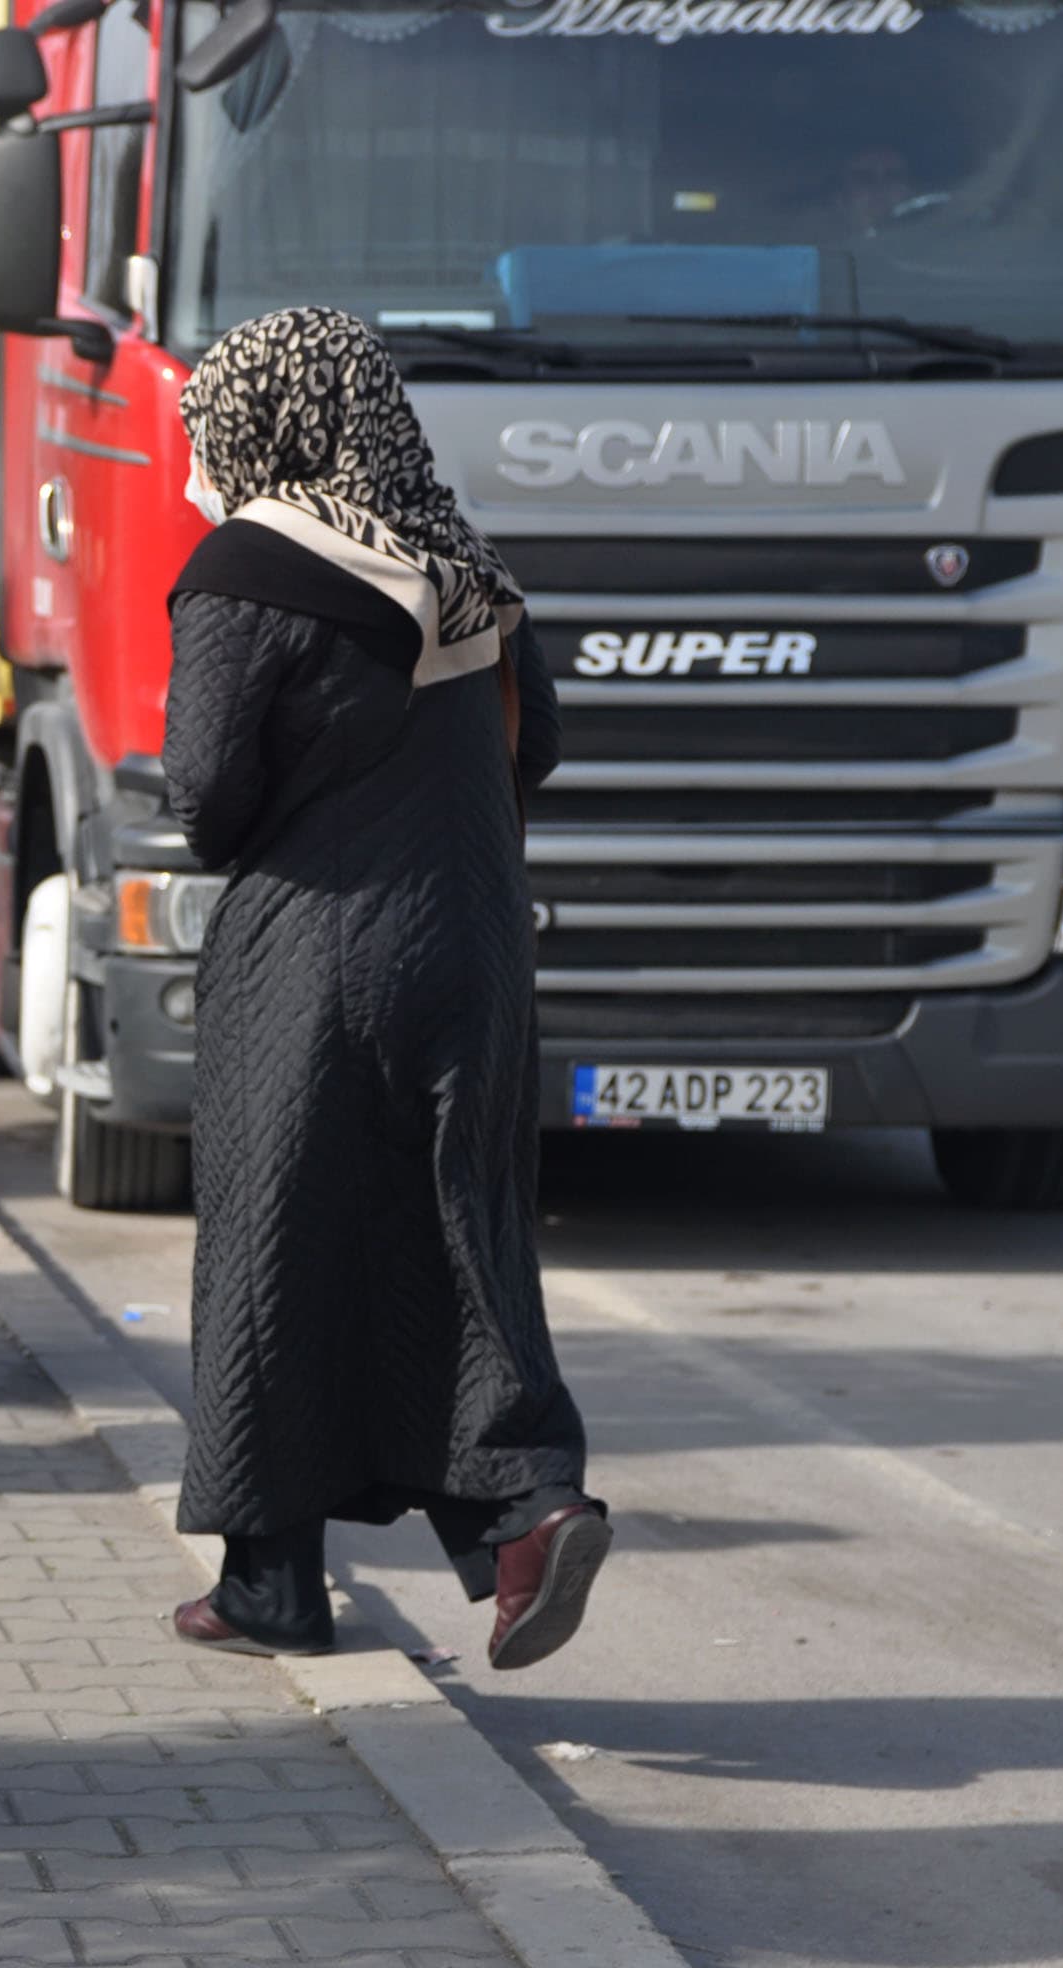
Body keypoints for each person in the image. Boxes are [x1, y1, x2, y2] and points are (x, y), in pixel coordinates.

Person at [159, 306, 608, 1669]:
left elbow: (205, 795)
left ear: (262, 423)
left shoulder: (245, 567)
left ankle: (268, 1583)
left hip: (312, 951)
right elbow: (544, 743)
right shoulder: (459, 560)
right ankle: (527, 1506)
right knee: (457, 1230)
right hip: (472, 944)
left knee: (275, 1244)